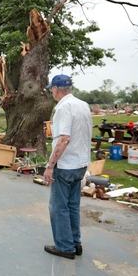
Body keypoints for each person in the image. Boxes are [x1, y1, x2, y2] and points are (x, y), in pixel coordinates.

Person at [43, 74, 92, 260]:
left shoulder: (63, 107)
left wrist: (50, 165)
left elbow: (64, 138)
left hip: (65, 164)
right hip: (80, 163)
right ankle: (75, 242)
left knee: (58, 206)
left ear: (55, 89)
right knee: (72, 205)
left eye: (51, 90)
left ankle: (64, 246)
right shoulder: (83, 105)